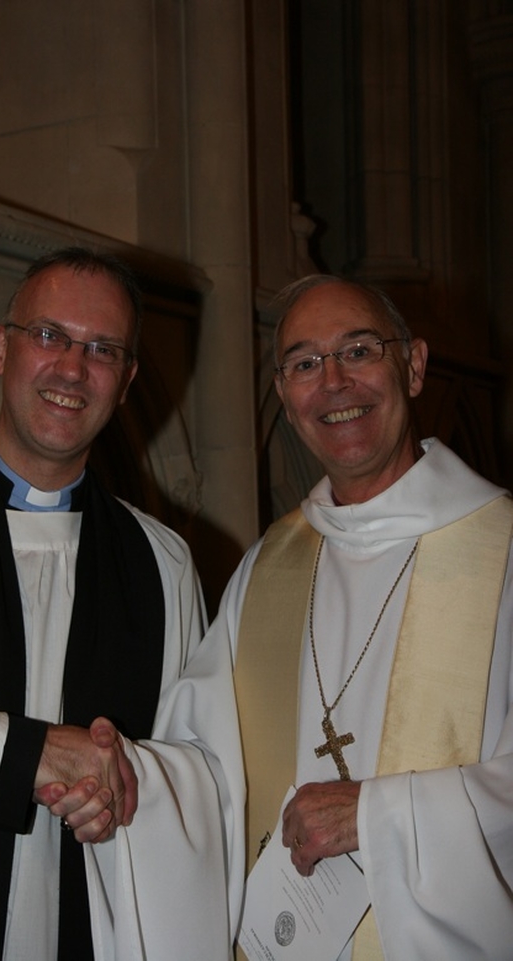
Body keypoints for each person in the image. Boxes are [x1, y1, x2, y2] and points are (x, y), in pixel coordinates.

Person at [0, 246, 243, 961]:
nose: (72, 368)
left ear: (128, 380)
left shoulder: (161, 562)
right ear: (1, 348)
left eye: (102, 349)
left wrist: (124, 780)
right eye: (49, 335)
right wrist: (27, 754)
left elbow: (204, 766)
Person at [207, 274, 513, 959]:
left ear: (414, 365)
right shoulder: (265, 567)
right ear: (285, 399)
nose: (335, 381)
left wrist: (377, 816)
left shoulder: (506, 551)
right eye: (306, 363)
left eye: (359, 350)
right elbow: (202, 759)